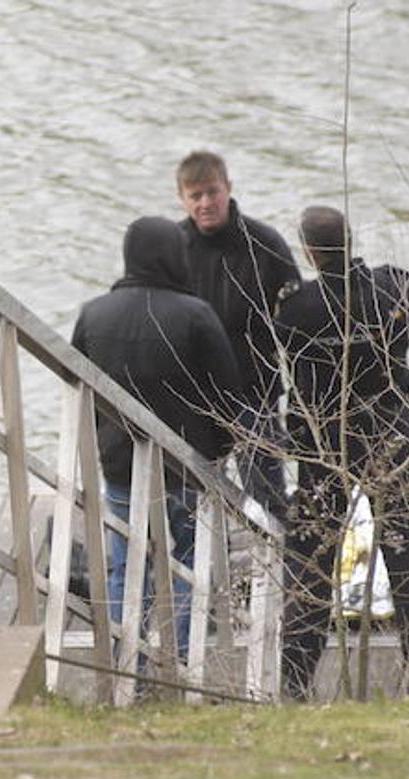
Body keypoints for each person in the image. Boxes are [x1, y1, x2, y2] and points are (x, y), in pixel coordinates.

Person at [274, 205, 409, 701]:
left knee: (313, 561)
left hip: (326, 443)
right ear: (350, 238)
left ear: (308, 251)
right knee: (404, 552)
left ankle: (295, 682)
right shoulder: (395, 287)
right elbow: (405, 334)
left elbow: (287, 355)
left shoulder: (297, 306)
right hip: (389, 434)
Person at [70, 216, 242, 667]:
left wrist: (101, 446)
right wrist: (218, 453)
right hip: (185, 465)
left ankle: (124, 661)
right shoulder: (196, 316)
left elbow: (80, 394)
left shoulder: (93, 314)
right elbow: (228, 397)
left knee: (128, 563)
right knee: (187, 560)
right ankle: (183, 661)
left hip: (120, 465)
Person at [175, 151, 301, 524]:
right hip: (196, 395)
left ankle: (277, 569)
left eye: (212, 192)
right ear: (182, 198)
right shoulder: (174, 246)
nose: (205, 203)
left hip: (254, 392)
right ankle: (206, 575)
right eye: (195, 196)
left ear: (228, 188)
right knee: (192, 499)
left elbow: (298, 317)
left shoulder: (264, 244)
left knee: (267, 501)